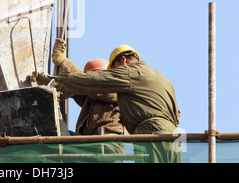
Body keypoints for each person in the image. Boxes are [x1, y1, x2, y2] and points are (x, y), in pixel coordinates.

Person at [35, 42, 180, 135]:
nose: (114, 75)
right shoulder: (163, 79)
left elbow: (91, 82)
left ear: (123, 61)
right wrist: (60, 77)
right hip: (172, 134)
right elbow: (81, 87)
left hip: (118, 142)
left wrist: (61, 67)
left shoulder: (126, 79)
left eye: (114, 71)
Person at [51, 39, 124, 135]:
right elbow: (72, 87)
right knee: (56, 130)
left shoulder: (117, 91)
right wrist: (53, 79)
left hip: (108, 143)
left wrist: (64, 62)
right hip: (89, 142)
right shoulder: (90, 97)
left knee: (60, 134)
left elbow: (88, 84)